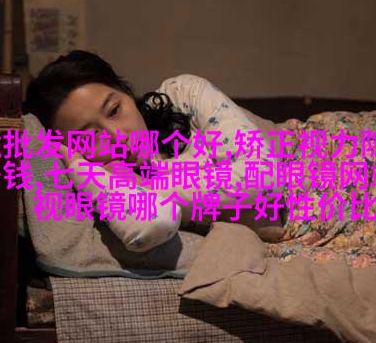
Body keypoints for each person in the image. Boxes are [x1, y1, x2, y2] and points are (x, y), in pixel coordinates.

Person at [23, 50, 289, 253]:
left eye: (115, 110)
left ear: (126, 92)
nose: (118, 136)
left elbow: (265, 178)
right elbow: (152, 223)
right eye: (90, 137)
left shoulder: (184, 94)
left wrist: (145, 183)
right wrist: (79, 166)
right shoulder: (100, 184)